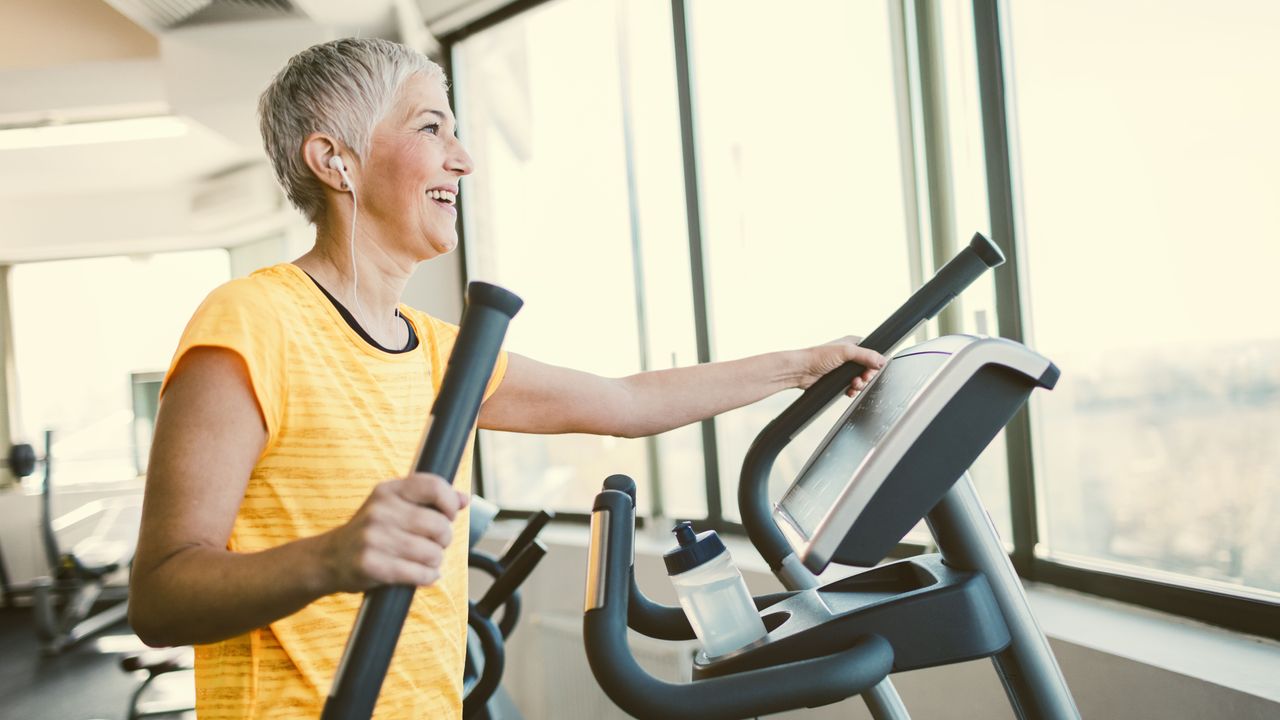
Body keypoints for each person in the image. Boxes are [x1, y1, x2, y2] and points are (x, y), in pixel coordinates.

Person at [128, 37, 885, 719]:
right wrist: (333, 557)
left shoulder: (434, 350)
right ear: (335, 161)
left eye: (456, 130)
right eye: (431, 128)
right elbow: (161, 596)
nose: (463, 158)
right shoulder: (252, 321)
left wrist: (802, 367)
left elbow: (625, 403)